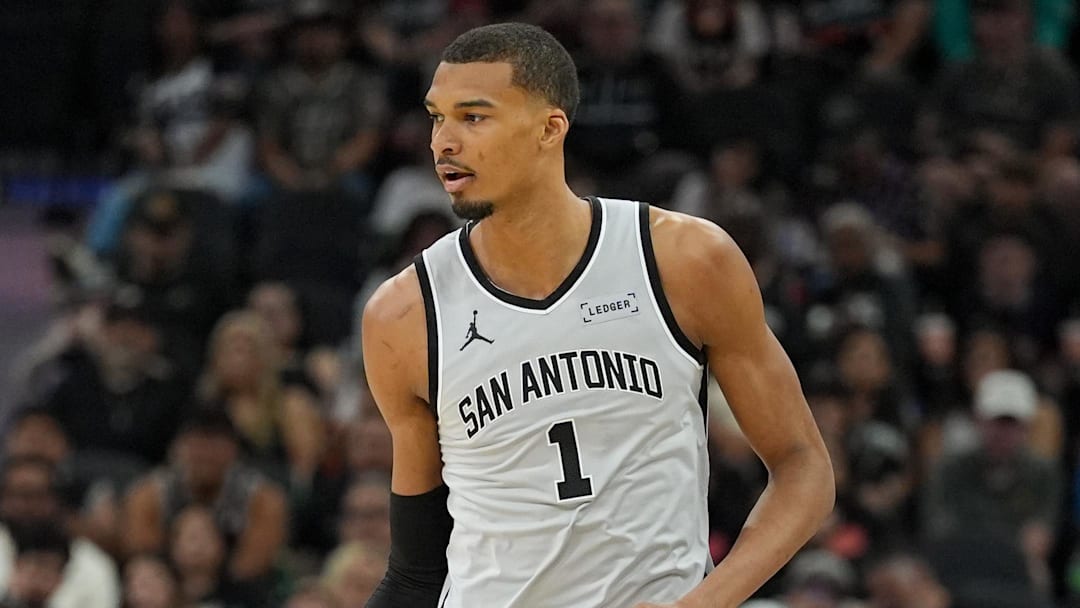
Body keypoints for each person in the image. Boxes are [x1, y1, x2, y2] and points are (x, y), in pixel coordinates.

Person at [361, 22, 834, 608]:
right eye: (437, 117)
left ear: (550, 128)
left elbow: (803, 467)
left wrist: (707, 601)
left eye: (473, 117)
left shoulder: (683, 260)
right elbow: (414, 572)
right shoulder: (404, 314)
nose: (443, 143)